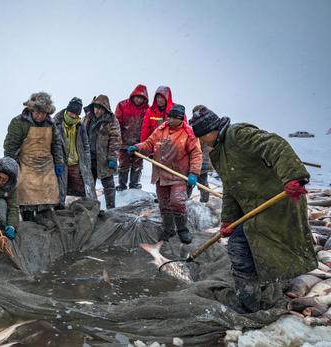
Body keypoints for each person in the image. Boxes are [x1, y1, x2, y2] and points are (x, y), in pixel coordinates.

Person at [189, 106, 317, 313]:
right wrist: (228, 220)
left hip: (278, 201)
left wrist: (294, 177)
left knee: (244, 247)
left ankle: (249, 302)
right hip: (254, 209)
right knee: (242, 247)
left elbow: (276, 145)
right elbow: (231, 187)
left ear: (212, 130)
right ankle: (252, 296)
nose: (203, 142)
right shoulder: (219, 154)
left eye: (203, 137)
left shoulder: (238, 134)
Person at [128, 104, 202, 244]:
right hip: (161, 174)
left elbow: (196, 154)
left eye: (174, 118)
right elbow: (149, 144)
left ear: (181, 119)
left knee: (177, 202)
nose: (170, 120)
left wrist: (193, 173)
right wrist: (137, 147)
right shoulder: (160, 130)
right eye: (169, 117)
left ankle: (182, 229)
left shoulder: (189, 133)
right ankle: (168, 229)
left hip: (179, 175)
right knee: (164, 204)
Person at [3, 92, 64, 222]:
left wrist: (59, 162)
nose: (40, 116)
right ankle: (28, 221)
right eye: (37, 112)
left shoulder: (50, 124)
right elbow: (10, 147)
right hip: (26, 165)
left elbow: (56, 144)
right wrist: (12, 166)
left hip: (46, 166)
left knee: (47, 201)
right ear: (31, 109)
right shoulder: (19, 122)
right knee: (27, 202)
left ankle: (45, 224)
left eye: (43, 113)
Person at [52, 97, 96, 209]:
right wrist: (56, 161)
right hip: (61, 163)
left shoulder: (80, 126)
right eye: (71, 113)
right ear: (67, 110)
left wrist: (87, 162)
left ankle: (90, 206)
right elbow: (51, 144)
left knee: (84, 187)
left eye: (75, 114)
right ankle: (59, 208)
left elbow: (86, 145)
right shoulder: (55, 123)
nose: (72, 116)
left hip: (76, 163)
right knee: (59, 188)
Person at [83, 95, 121, 209]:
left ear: (105, 109)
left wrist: (113, 158)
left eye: (100, 108)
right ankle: (91, 208)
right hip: (89, 158)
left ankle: (111, 207)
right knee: (89, 185)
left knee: (108, 184)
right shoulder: (87, 118)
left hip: (104, 159)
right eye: (96, 107)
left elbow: (115, 140)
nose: (97, 110)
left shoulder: (112, 120)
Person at [115, 84, 149, 191]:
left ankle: (134, 184)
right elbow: (116, 124)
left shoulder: (147, 109)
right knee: (123, 164)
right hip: (124, 142)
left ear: (145, 99)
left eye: (141, 98)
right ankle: (122, 185)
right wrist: (118, 140)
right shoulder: (122, 105)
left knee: (137, 164)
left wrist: (144, 143)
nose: (139, 100)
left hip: (139, 144)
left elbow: (148, 126)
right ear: (133, 96)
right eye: (137, 97)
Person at [187, 107, 213, 203]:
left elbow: (208, 146)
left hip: (203, 159)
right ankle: (186, 200)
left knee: (202, 182)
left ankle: (204, 201)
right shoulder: (189, 125)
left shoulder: (207, 127)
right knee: (188, 182)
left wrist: (205, 161)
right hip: (191, 160)